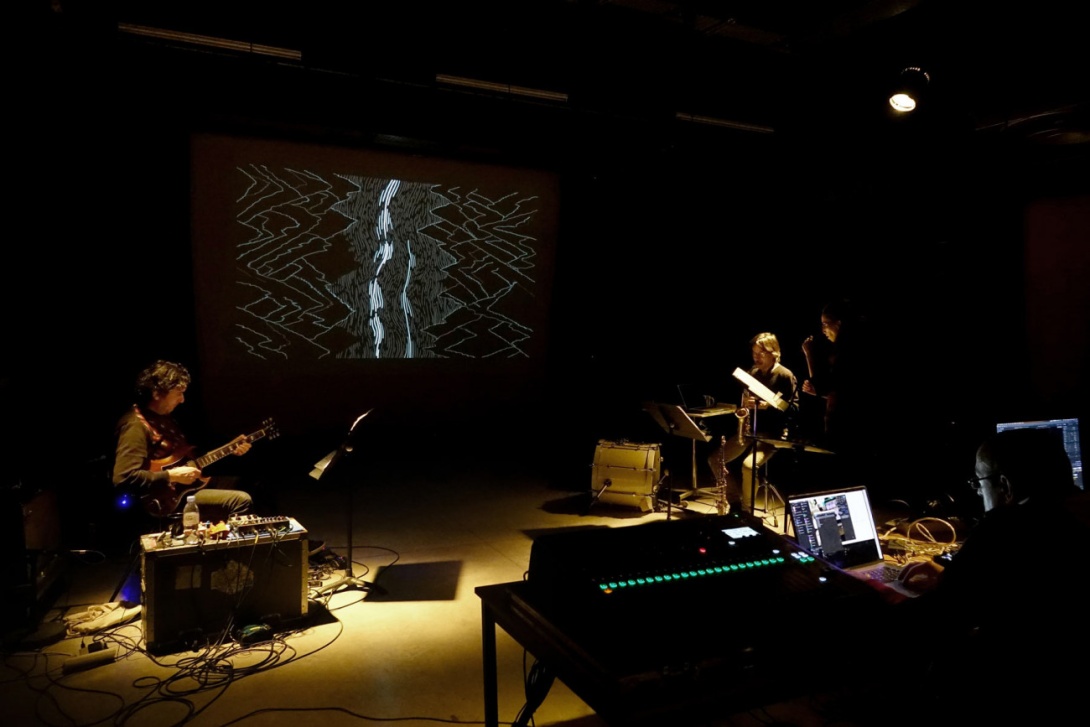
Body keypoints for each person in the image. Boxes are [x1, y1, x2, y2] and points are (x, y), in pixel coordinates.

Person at [889, 426, 1089, 721]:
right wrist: (951, 572)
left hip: (1023, 682)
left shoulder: (1005, 526)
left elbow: (944, 611)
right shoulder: (1077, 511)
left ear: (1005, 485)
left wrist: (884, 594)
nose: (978, 491)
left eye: (978, 482)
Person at [112, 360, 254, 525]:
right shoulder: (135, 425)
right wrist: (171, 475)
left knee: (248, 482)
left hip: (183, 490)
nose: (182, 400)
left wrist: (230, 447)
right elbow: (124, 478)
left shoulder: (164, 418)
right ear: (157, 394)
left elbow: (184, 460)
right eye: (178, 393)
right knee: (240, 500)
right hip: (164, 501)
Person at [707, 332, 798, 515]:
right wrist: (745, 405)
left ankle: (747, 512)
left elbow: (794, 409)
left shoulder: (785, 375)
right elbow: (745, 401)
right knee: (715, 460)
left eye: (761, 353)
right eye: (754, 353)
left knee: (748, 466)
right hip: (750, 431)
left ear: (773, 353)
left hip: (772, 434)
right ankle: (735, 503)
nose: (756, 357)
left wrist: (769, 405)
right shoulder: (753, 373)